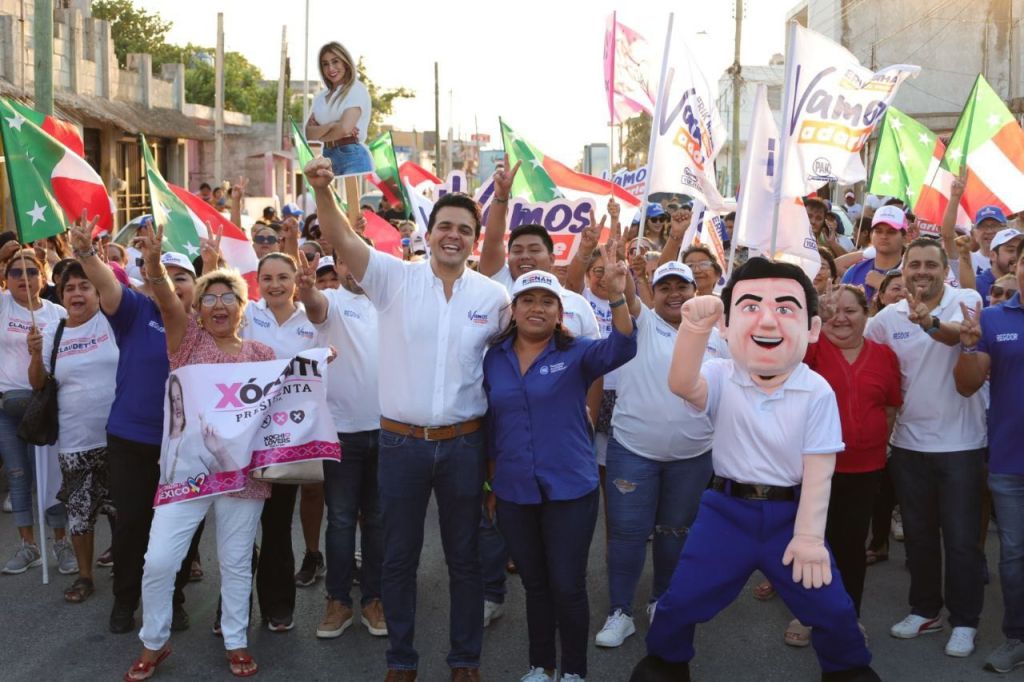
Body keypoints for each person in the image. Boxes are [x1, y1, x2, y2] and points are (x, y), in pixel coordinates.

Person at [306, 156, 509, 681]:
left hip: (464, 445)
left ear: (474, 238)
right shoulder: (394, 279)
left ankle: (464, 660)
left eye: (465, 229)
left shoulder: (494, 299)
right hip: (400, 445)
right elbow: (345, 240)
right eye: (445, 226)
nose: (454, 236)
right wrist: (323, 191)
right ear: (430, 231)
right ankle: (401, 659)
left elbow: (513, 365)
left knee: (464, 558)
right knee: (399, 557)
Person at [631, 257, 877, 682]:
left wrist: (808, 536)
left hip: (790, 516)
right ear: (726, 325)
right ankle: (665, 664)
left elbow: (820, 467)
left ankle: (848, 669)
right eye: (749, 306)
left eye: (785, 308)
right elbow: (683, 385)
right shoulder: (722, 373)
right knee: (682, 599)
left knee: (832, 607)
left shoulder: (816, 389)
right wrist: (693, 330)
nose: (767, 321)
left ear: (812, 328)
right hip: (726, 511)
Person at [125, 224, 273, 681]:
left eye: (228, 296)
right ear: (199, 310)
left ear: (242, 308)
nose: (218, 304)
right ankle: (154, 640)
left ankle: (236, 640)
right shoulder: (187, 342)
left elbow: (280, 405)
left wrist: (313, 368)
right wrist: (153, 264)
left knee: (234, 563)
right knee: (160, 561)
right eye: (209, 297)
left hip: (241, 477)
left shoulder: (260, 353)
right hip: (185, 475)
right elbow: (168, 301)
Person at [484, 268, 637, 682]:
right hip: (515, 490)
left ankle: (573, 671)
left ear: (559, 313)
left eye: (547, 301)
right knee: (534, 584)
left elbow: (624, 345)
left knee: (567, 585)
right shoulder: (492, 358)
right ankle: (540, 666)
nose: (537, 308)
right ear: (513, 310)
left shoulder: (578, 352)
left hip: (570, 488)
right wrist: (492, 483)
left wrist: (619, 297)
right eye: (528, 300)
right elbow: (493, 426)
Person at [67, 216, 204, 635]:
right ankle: (126, 599)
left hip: (187, 445)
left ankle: (173, 599)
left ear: (195, 286)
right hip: (131, 439)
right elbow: (105, 283)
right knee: (132, 525)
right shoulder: (134, 311)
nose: (175, 283)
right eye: (168, 274)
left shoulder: (207, 326)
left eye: (184, 277)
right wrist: (87, 253)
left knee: (181, 529)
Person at [864, 237, 987, 658]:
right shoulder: (885, 318)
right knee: (918, 538)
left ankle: (965, 621)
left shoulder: (966, 299)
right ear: (903, 269)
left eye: (930, 265)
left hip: (963, 445)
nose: (921, 271)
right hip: (909, 446)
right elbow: (862, 359)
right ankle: (925, 610)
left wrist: (929, 322)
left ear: (943, 270)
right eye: (913, 264)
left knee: (962, 540)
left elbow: (959, 338)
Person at [595, 262, 716, 650]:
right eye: (666, 286)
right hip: (633, 451)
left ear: (697, 290)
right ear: (652, 290)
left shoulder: (720, 336)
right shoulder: (642, 321)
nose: (675, 293)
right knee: (628, 535)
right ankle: (620, 613)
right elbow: (626, 297)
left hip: (694, 456)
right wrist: (620, 279)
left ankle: (661, 600)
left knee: (674, 532)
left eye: (683, 286)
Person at [781, 285, 902, 646]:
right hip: (814, 468)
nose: (840, 318)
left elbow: (892, 407)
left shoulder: (884, 356)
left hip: (865, 469)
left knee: (850, 548)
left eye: (850, 310)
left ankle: (848, 616)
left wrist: (874, 444)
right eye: (831, 310)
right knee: (811, 541)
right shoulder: (811, 352)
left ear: (867, 313)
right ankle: (807, 613)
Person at [298, 244, 387, 641]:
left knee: (379, 521)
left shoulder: (392, 304)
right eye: (345, 262)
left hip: (390, 432)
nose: (353, 270)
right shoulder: (332, 300)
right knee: (340, 521)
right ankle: (338, 601)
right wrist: (306, 290)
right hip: (342, 434)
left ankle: (374, 598)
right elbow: (315, 306)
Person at [240, 252, 323, 633]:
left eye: (283, 277)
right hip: (243, 435)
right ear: (257, 281)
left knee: (275, 526)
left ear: (295, 280)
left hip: (289, 437)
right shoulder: (247, 314)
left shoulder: (314, 319)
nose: (275, 284)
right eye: (267, 277)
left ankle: (278, 606)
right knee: (238, 527)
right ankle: (234, 608)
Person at [27, 261, 118, 601]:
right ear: (61, 295)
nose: (77, 293)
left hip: (118, 438)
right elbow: (37, 383)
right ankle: (84, 576)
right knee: (80, 512)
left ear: (97, 291)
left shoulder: (112, 324)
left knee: (120, 509)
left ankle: (127, 569)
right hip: (74, 441)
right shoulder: (55, 332)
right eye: (70, 288)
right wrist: (35, 355)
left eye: (84, 286)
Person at [954, 254, 1024, 673]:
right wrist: (967, 345)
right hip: (1009, 462)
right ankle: (1018, 637)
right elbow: (966, 387)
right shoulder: (993, 319)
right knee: (1014, 556)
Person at [0, 246, 72, 575]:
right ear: (6, 278)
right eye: (16, 272)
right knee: (18, 476)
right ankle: (29, 546)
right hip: (6, 407)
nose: (24, 278)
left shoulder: (56, 313)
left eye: (31, 272)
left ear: (43, 278)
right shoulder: (1, 305)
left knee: (50, 478)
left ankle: (61, 543)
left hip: (43, 406)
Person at [305, 42, 373, 177]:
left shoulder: (356, 89)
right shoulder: (320, 98)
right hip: (327, 157)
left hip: (352, 156)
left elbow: (344, 129)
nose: (331, 68)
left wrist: (322, 132)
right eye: (325, 64)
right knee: (333, 199)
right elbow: (308, 133)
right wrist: (332, 125)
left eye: (335, 62)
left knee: (352, 198)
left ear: (345, 63)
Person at [841, 206, 907, 301]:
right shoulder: (854, 271)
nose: (884, 236)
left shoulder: (911, 275)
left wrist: (882, 284)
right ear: (871, 235)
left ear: (904, 237)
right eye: (878, 231)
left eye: (891, 232)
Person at [975, 228, 1022, 304]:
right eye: (1011, 250)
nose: (1017, 256)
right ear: (993, 255)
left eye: (1020, 251)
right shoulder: (978, 284)